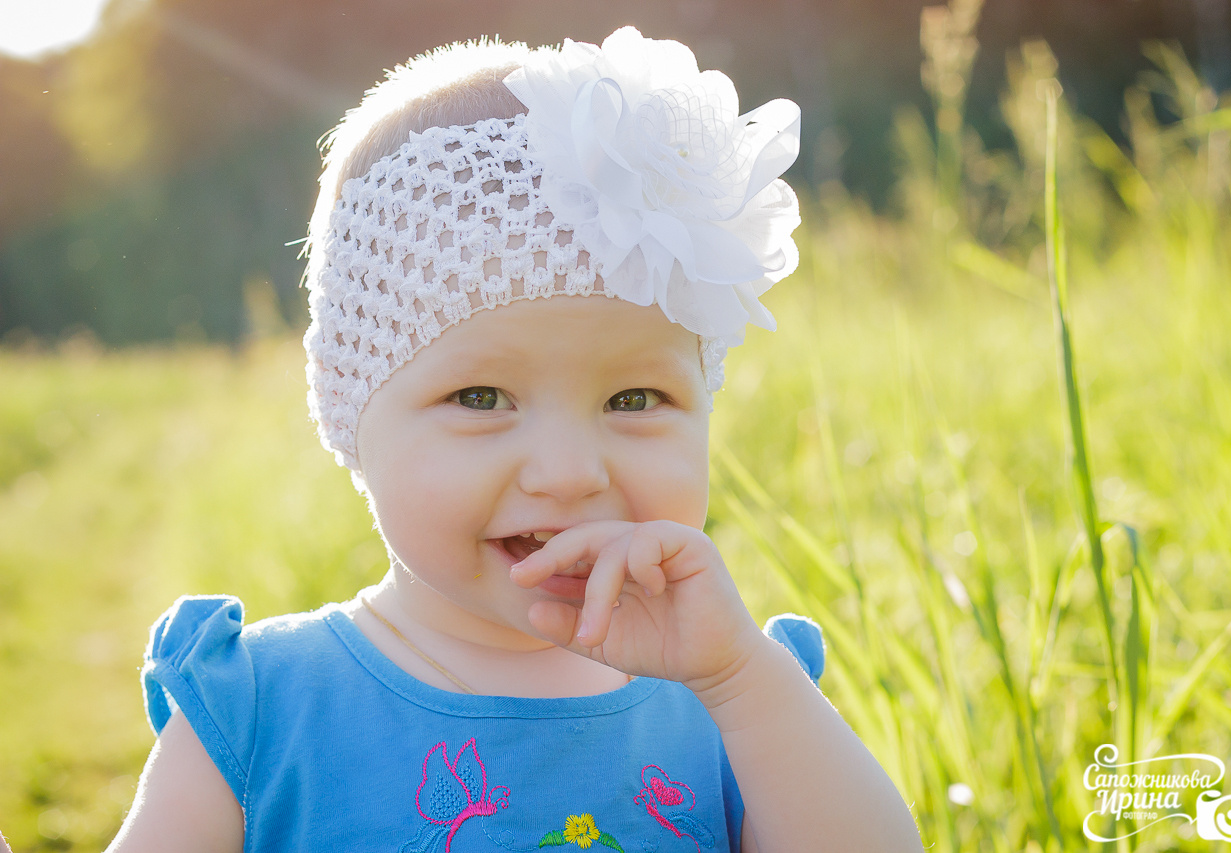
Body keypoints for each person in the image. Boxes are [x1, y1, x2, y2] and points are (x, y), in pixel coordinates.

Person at [107, 26, 924, 853]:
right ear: (352, 408)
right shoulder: (261, 709)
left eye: (634, 397)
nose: (569, 474)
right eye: (482, 396)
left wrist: (743, 680)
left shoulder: (737, 711)